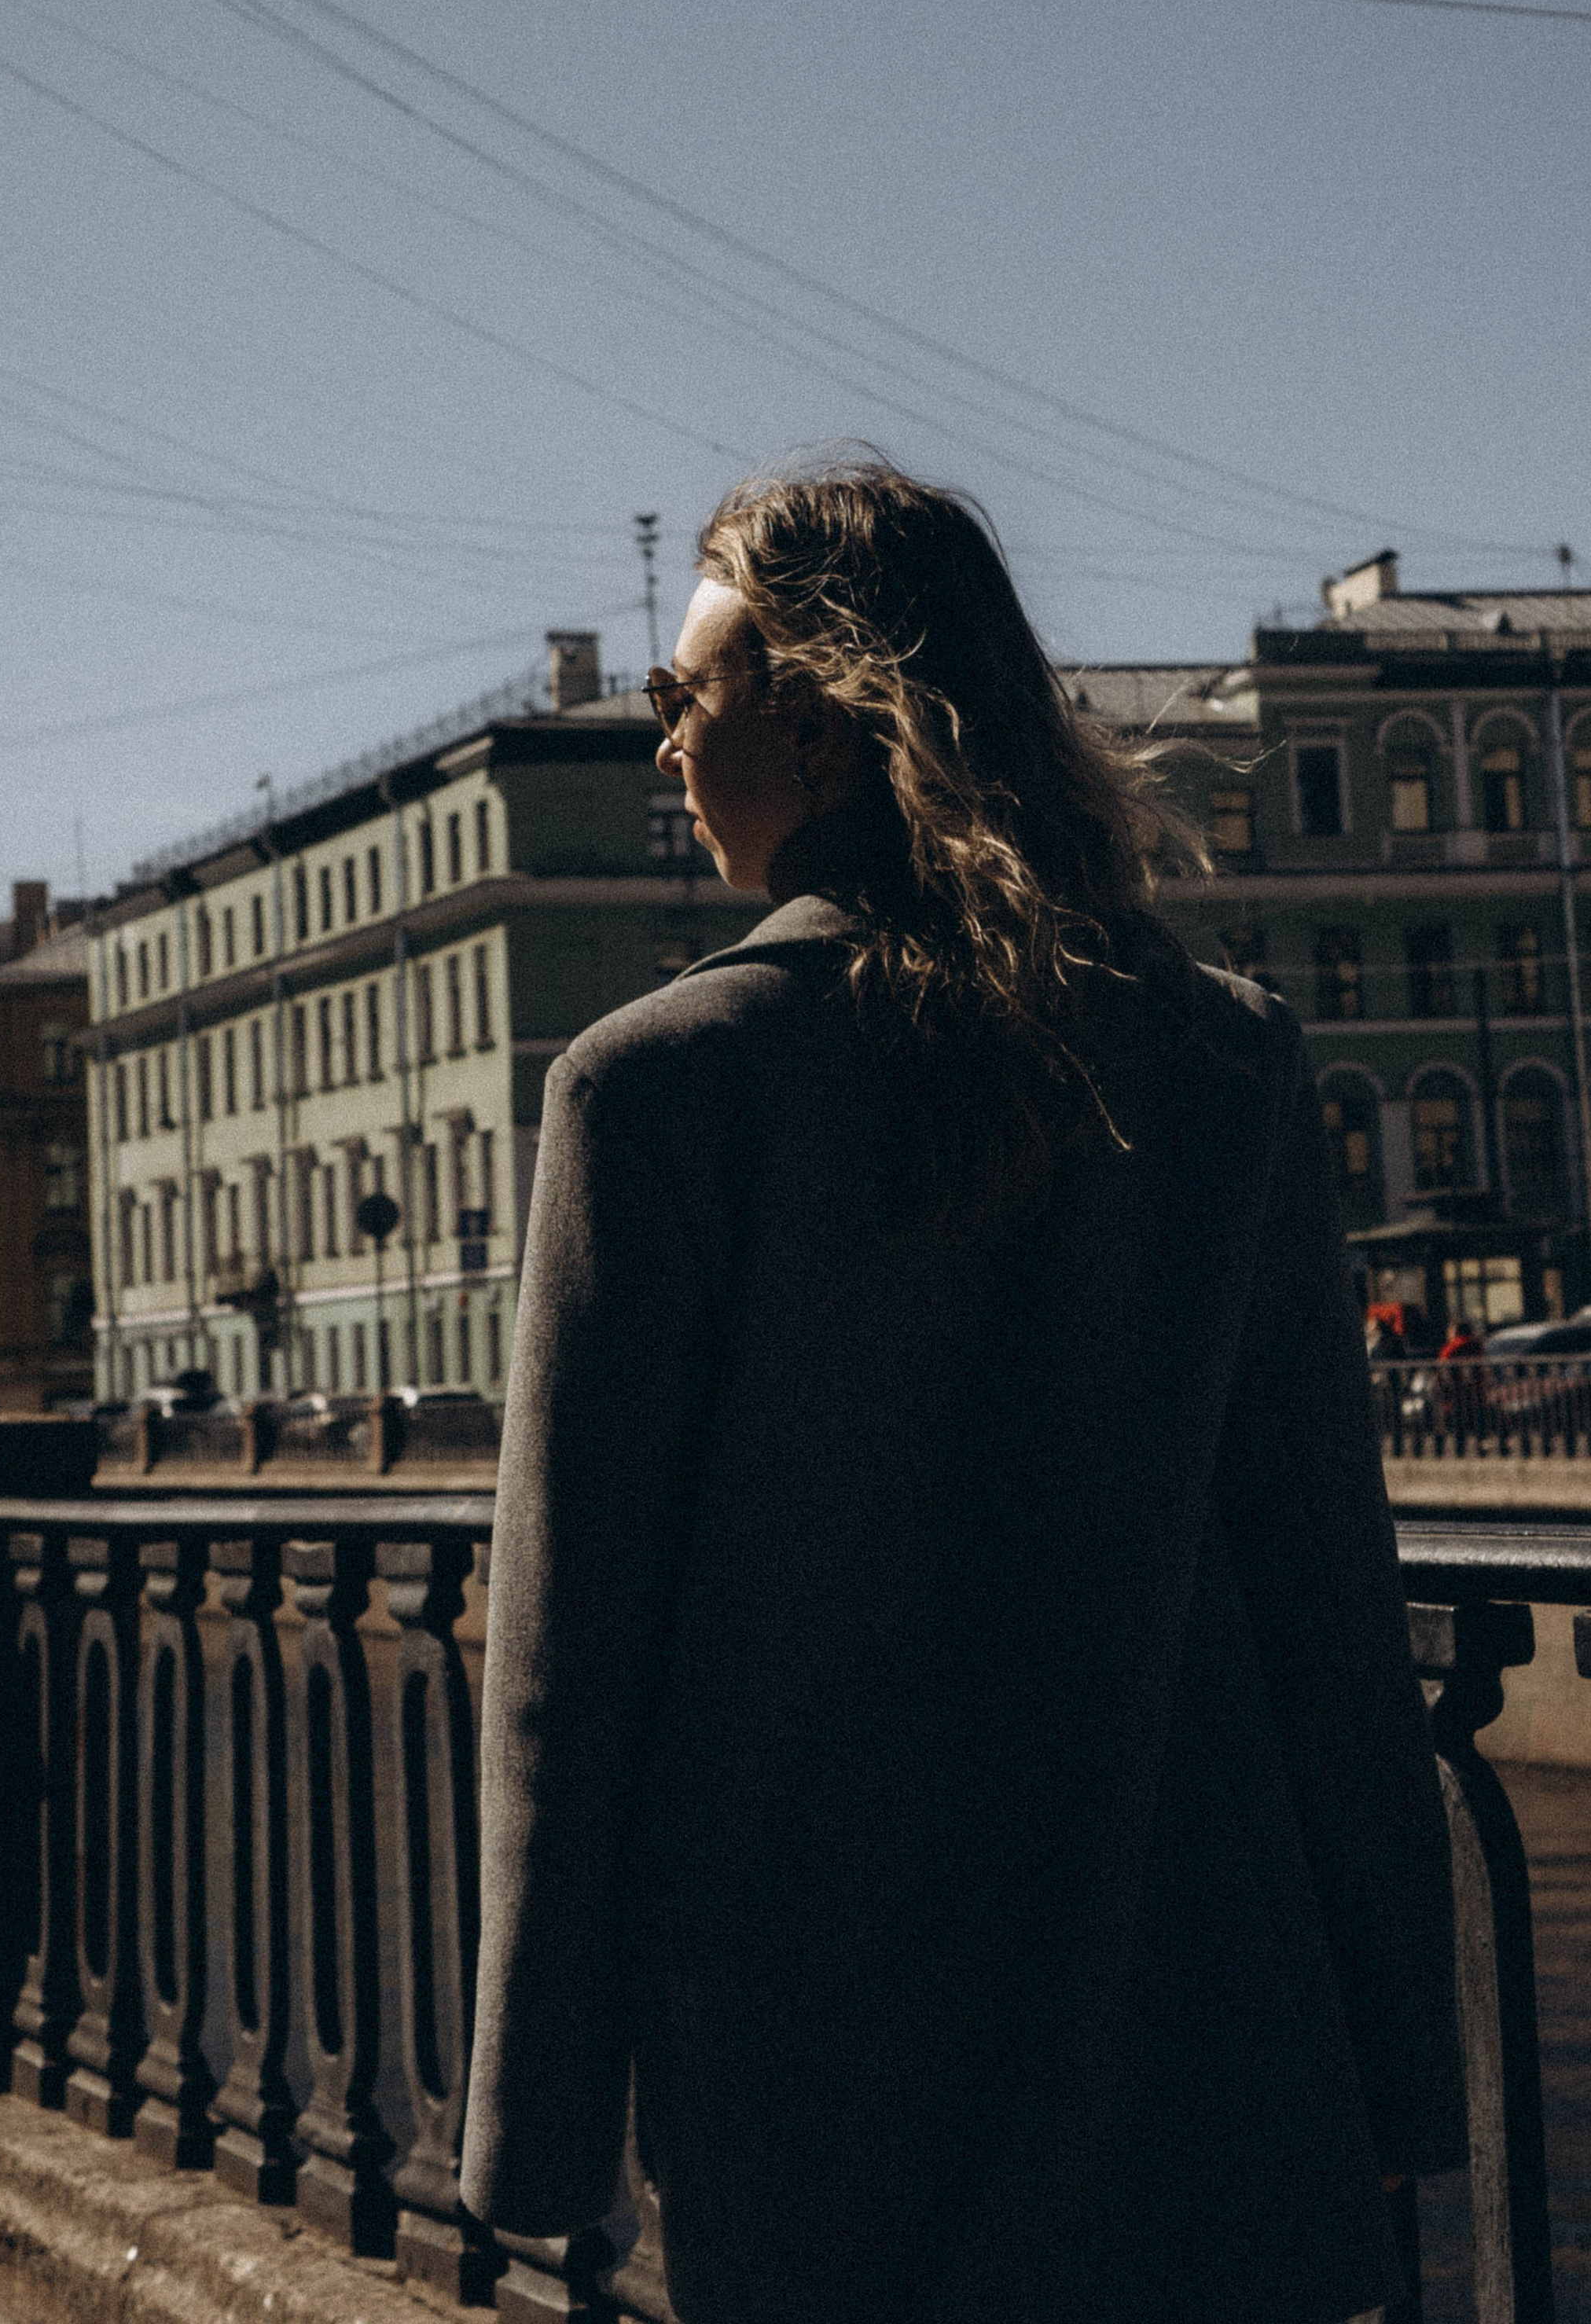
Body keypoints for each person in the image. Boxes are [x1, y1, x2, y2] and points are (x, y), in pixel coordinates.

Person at [461, 461, 1464, 2324]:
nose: (664, 745)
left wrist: (533, 2129)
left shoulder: (652, 1090)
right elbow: (1330, 1607)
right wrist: (1396, 2066)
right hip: (1202, 2026)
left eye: (692, 695)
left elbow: (565, 1669)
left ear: (831, 728)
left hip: (820, 2062)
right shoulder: (1221, 1061)